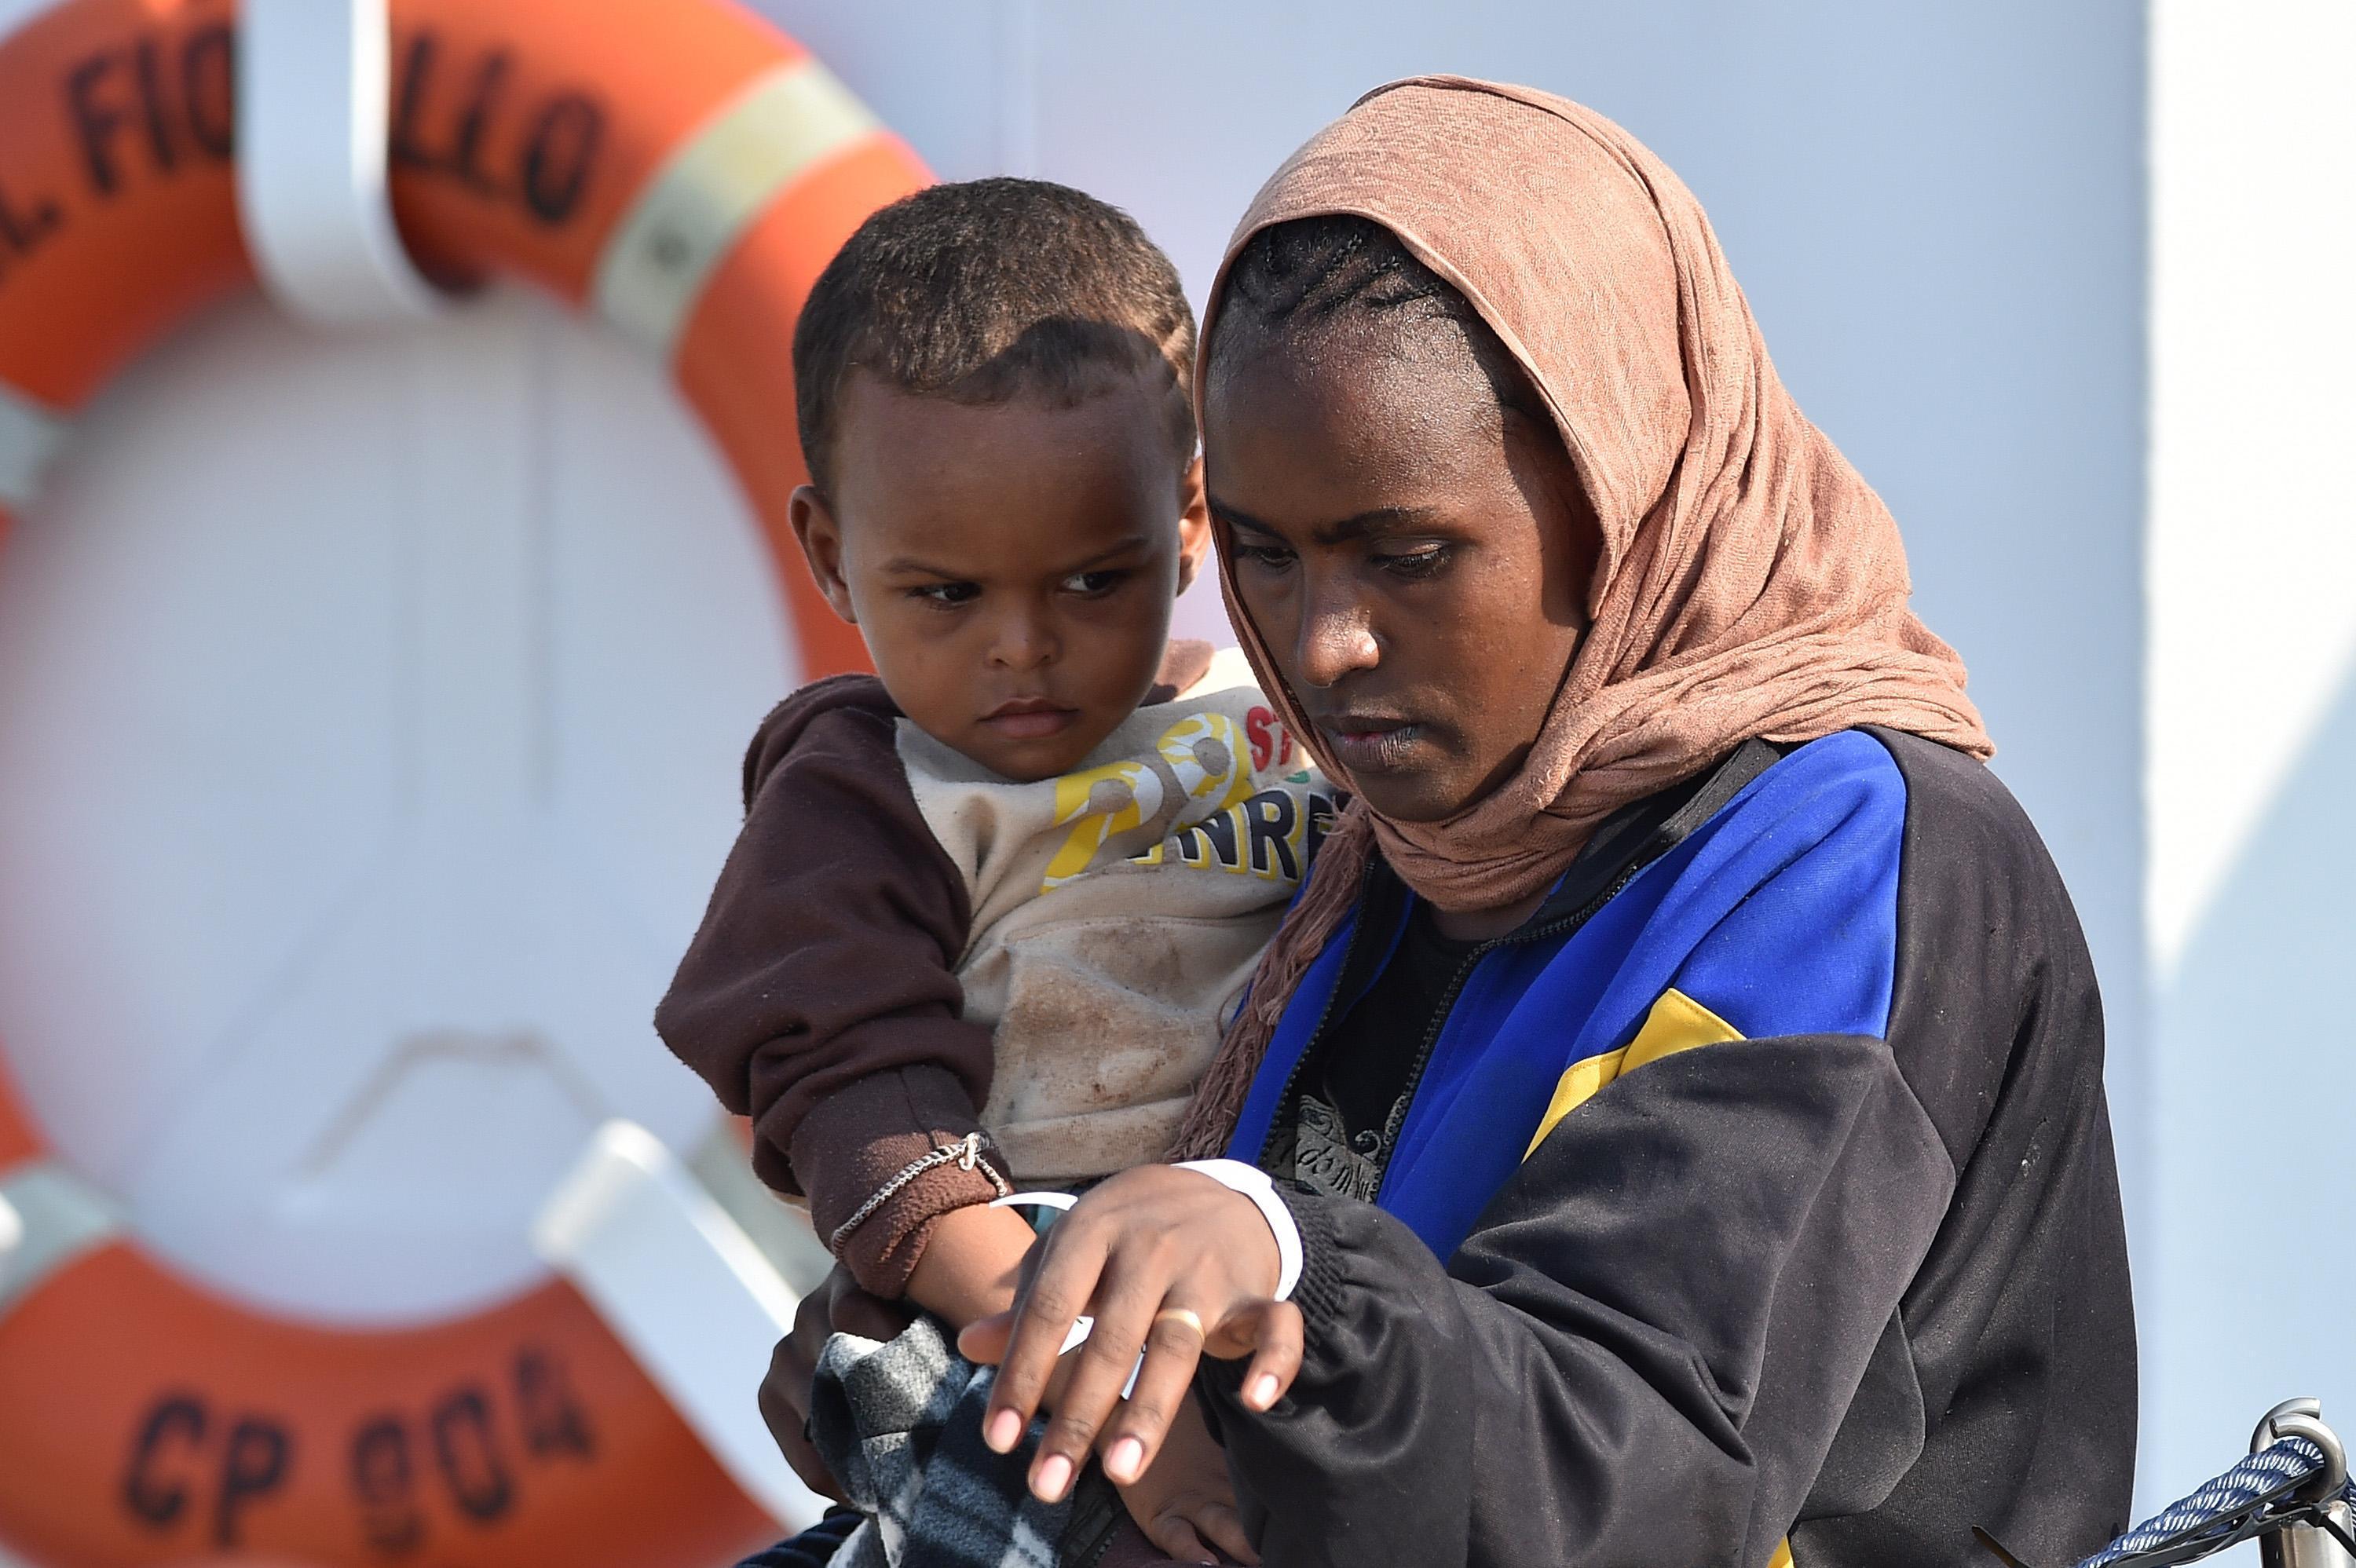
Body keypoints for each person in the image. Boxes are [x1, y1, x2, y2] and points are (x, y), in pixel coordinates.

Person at [952, 79, 2137, 1567]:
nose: (1321, 646)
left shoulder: (1849, 852)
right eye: (1263, 552)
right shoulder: (1385, 855)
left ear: (1628, 489)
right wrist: (964, 1377)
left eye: (1408, 555)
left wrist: (1293, 1268)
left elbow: (1640, 1458)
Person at [655, 177, 1333, 1564]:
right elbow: (873, 1130)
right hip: (1014, 1327)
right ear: (835, 558)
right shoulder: (867, 794)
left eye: (1094, 580)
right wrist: (1114, 1405)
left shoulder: (1288, 720)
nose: (1023, 646)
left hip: (1279, 1264)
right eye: (949, 594)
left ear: (1191, 517)